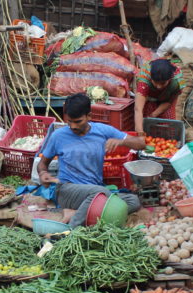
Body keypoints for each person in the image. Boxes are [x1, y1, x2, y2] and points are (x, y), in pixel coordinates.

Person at [38, 93, 146, 227]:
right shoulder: (58, 136)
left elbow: (141, 144)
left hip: (96, 191)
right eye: (69, 121)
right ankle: (71, 230)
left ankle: (79, 213)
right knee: (100, 193)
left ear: (89, 116)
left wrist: (120, 142)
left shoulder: (102, 130)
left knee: (133, 201)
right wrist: (43, 174)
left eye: (78, 121)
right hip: (68, 191)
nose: (73, 126)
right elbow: (43, 163)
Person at [134, 59, 182, 133]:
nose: (158, 86)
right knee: (146, 123)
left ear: (169, 79)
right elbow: (138, 109)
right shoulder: (144, 81)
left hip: (166, 98)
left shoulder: (176, 82)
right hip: (149, 96)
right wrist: (140, 132)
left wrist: (153, 115)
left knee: (168, 126)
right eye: (155, 82)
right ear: (151, 78)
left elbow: (169, 102)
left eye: (163, 83)